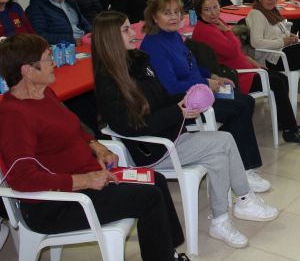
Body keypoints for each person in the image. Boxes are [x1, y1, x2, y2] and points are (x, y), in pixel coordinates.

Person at [92, 12, 279, 249]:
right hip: (153, 149)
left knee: (219, 153)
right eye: (126, 30)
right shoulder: (110, 80)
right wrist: (178, 112)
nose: (134, 33)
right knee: (224, 141)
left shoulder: (137, 63)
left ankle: (222, 218)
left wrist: (187, 100)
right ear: (110, 38)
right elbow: (131, 125)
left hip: (168, 136)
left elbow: (161, 97)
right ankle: (243, 199)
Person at [0, 34, 191, 261]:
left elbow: (72, 128)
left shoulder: (44, 93)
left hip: (88, 179)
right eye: (47, 59)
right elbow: (23, 179)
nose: (54, 63)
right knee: (148, 196)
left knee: (155, 179)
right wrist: (85, 180)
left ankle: (168, 252)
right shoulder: (13, 115)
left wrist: (97, 146)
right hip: (56, 204)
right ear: (27, 71)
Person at [139, 0, 270, 192]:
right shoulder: (154, 44)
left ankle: (236, 161)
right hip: (182, 102)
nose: (174, 17)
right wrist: (206, 82)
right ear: (154, 17)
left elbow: (193, 65)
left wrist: (214, 77)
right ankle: (244, 169)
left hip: (199, 89)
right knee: (239, 108)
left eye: (177, 12)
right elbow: (170, 86)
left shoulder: (173, 36)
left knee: (246, 101)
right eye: (167, 13)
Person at [191, 0, 300, 144]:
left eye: (215, 7)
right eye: (207, 10)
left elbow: (237, 51)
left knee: (280, 78)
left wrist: (252, 62)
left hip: (244, 69)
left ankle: (286, 123)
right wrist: (228, 32)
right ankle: (291, 131)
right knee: (277, 82)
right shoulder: (207, 30)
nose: (213, 13)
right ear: (199, 12)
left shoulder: (215, 23)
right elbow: (233, 49)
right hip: (236, 77)